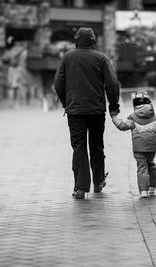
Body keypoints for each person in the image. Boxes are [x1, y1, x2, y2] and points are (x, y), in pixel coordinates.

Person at [53, 27, 120, 200]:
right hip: (97, 111)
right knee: (97, 145)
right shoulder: (101, 58)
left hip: (75, 112)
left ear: (76, 40)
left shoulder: (68, 58)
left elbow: (58, 84)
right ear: (93, 41)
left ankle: (81, 188)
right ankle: (98, 182)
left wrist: (66, 103)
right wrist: (114, 106)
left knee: (79, 147)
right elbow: (112, 84)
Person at [110, 91, 156, 198]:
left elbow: (122, 126)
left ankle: (143, 191)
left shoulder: (133, 118)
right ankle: (152, 188)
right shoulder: (155, 118)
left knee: (142, 168)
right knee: (151, 164)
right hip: (151, 148)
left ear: (135, 104)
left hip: (138, 149)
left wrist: (114, 118)